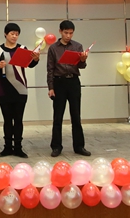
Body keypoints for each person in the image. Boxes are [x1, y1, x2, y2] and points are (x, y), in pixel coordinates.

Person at [0, 23, 39, 158]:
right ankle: (7, 147)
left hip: (20, 89)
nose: (14, 36)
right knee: (7, 119)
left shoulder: (22, 49)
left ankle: (18, 148)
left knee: (18, 119)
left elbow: (30, 64)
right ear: (5, 34)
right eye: (12, 33)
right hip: (4, 89)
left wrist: (36, 59)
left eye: (17, 34)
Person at [47, 20, 91, 157]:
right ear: (60, 31)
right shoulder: (53, 48)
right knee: (58, 116)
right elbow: (50, 69)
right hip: (59, 82)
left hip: (73, 81)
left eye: (71, 33)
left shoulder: (77, 46)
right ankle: (56, 147)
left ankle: (79, 146)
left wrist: (83, 59)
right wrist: (51, 87)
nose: (68, 36)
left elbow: (81, 66)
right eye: (66, 33)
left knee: (76, 116)